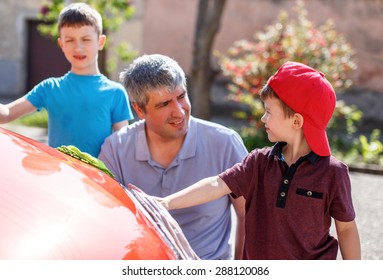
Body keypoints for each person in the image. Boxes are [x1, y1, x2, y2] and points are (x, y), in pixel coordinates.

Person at [156, 61, 361, 260]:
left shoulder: (333, 173)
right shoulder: (258, 162)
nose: (263, 118)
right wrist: (167, 202)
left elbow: (346, 228)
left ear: (296, 121)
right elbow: (216, 184)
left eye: (269, 112)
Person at [98, 54, 248, 260]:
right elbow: (104, 220)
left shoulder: (225, 143)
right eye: (164, 104)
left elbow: (250, 215)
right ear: (140, 110)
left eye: (181, 97)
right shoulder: (116, 149)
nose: (179, 112)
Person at [0, 2, 132, 157]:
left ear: (101, 42)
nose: (78, 47)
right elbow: (7, 113)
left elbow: (124, 146)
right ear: (61, 44)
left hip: (98, 179)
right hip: (60, 177)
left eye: (86, 39)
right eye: (70, 40)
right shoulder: (50, 88)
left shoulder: (115, 93)